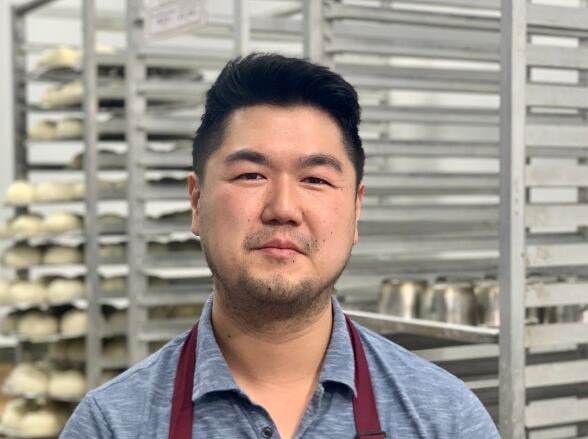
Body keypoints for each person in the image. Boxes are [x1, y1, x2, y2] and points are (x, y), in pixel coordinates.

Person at [60, 53, 499, 439]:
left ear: (355, 210)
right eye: (251, 174)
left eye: (316, 179)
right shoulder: (111, 425)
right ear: (196, 202)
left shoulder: (446, 419)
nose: (284, 208)